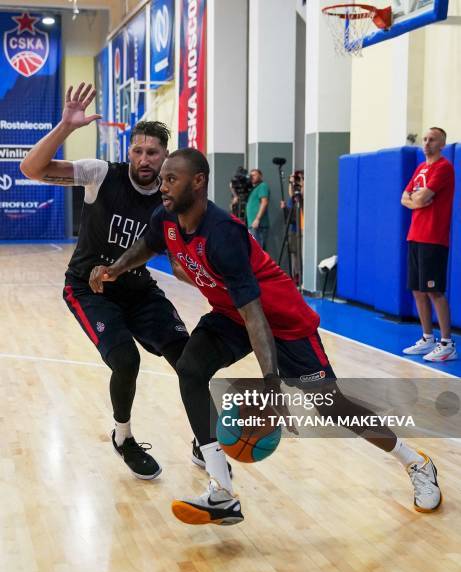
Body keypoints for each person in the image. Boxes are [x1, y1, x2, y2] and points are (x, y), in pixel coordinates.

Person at [90, 148, 442, 525]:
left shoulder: (224, 234)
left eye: (171, 179)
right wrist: (115, 268)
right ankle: (222, 490)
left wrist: (272, 382)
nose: (162, 186)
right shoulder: (166, 218)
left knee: (331, 405)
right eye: (161, 179)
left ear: (198, 181)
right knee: (191, 369)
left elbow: (255, 315)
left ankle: (415, 462)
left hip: (282, 323)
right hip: (230, 315)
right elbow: (148, 246)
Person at [20, 82, 190, 480]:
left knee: (189, 359)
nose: (144, 159)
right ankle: (124, 436)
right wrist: (65, 126)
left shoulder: (170, 200)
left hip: (138, 289)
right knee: (125, 360)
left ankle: (205, 440)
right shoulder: (102, 174)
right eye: (138, 150)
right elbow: (30, 169)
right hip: (87, 287)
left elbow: (182, 262)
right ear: (129, 151)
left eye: (153, 152)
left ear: (166, 157)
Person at [401, 127, 457, 362]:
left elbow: (420, 197)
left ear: (442, 144)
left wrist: (417, 199)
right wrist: (418, 200)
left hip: (433, 237)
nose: (426, 143)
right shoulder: (420, 168)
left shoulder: (443, 168)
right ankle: (427, 338)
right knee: (417, 289)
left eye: (432, 140)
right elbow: (405, 198)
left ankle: (447, 343)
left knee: (434, 290)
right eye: (424, 139)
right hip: (415, 235)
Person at [246, 169, 270, 249]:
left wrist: (257, 219)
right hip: (252, 225)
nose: (252, 177)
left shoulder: (262, 186)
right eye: (251, 175)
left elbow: (264, 202)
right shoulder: (253, 188)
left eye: (254, 175)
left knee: (258, 250)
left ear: (261, 176)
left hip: (259, 225)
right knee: (254, 250)